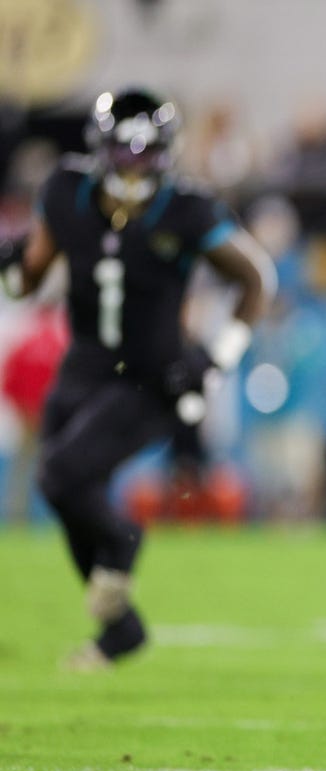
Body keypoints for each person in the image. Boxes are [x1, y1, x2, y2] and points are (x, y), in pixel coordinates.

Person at [0, 87, 275, 669]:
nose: (134, 165)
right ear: (101, 150)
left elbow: (258, 279)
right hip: (83, 367)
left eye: (146, 153)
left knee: (60, 475)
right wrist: (10, 264)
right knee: (67, 491)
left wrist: (220, 356)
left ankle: (125, 541)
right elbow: (25, 282)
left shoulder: (186, 206)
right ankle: (119, 626)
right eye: (123, 152)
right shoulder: (65, 191)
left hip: (152, 376)